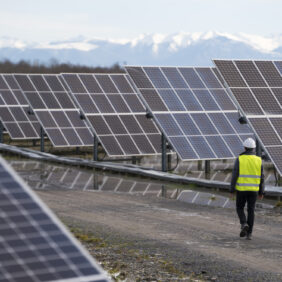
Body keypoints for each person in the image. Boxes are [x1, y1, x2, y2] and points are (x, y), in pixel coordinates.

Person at [230, 137, 265, 240]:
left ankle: (244, 223)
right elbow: (262, 177)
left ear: (244, 148)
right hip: (254, 191)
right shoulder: (259, 160)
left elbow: (234, 175)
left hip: (241, 190)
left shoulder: (240, 159)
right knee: (251, 210)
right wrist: (261, 191)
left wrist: (232, 190)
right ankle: (249, 234)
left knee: (240, 208)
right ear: (254, 148)